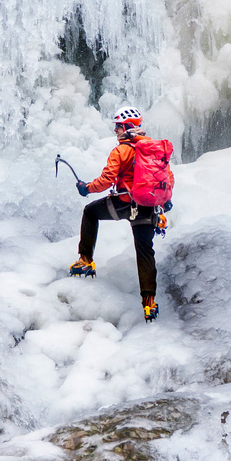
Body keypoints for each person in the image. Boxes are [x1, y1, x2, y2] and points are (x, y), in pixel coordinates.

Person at [70, 106, 160, 322]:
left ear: (127, 127)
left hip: (125, 203)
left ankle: (85, 260)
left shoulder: (121, 151)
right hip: (148, 206)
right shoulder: (153, 149)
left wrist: (87, 188)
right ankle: (149, 303)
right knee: (145, 251)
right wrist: (164, 203)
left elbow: (107, 180)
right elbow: (166, 178)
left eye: (118, 128)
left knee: (90, 212)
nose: (116, 133)